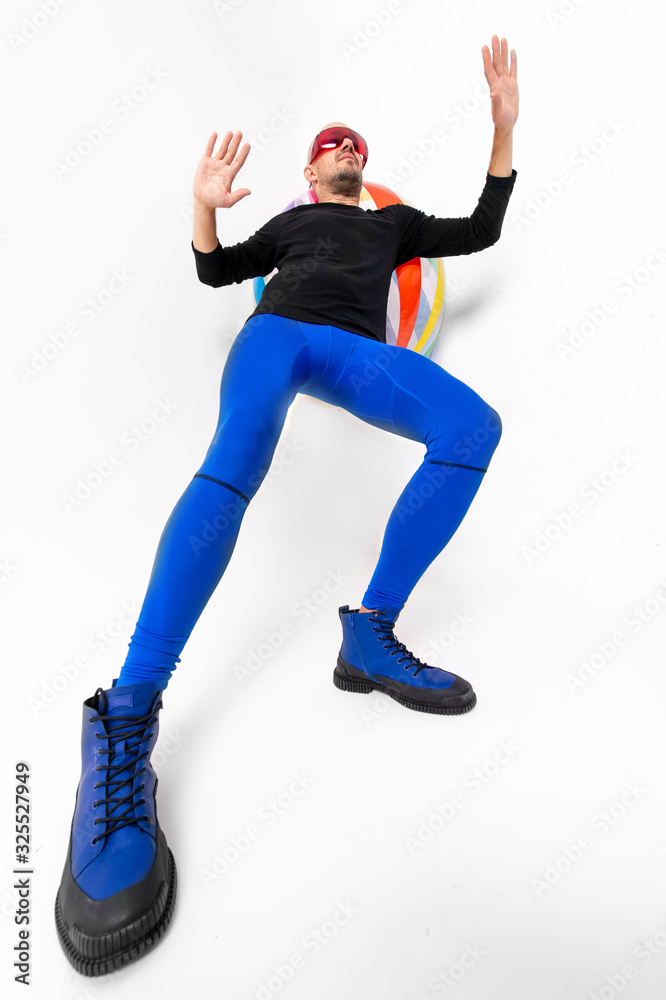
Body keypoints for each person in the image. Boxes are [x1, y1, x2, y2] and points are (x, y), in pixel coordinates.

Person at [55, 35, 519, 977]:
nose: (344, 149)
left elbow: (481, 230)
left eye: (355, 144)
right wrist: (203, 209)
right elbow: (213, 273)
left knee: (473, 429)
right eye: (330, 145)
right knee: (233, 466)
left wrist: (503, 129)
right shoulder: (290, 225)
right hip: (276, 337)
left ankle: (370, 632)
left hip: (353, 352)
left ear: (363, 170)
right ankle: (127, 712)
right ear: (312, 172)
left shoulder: (392, 225)